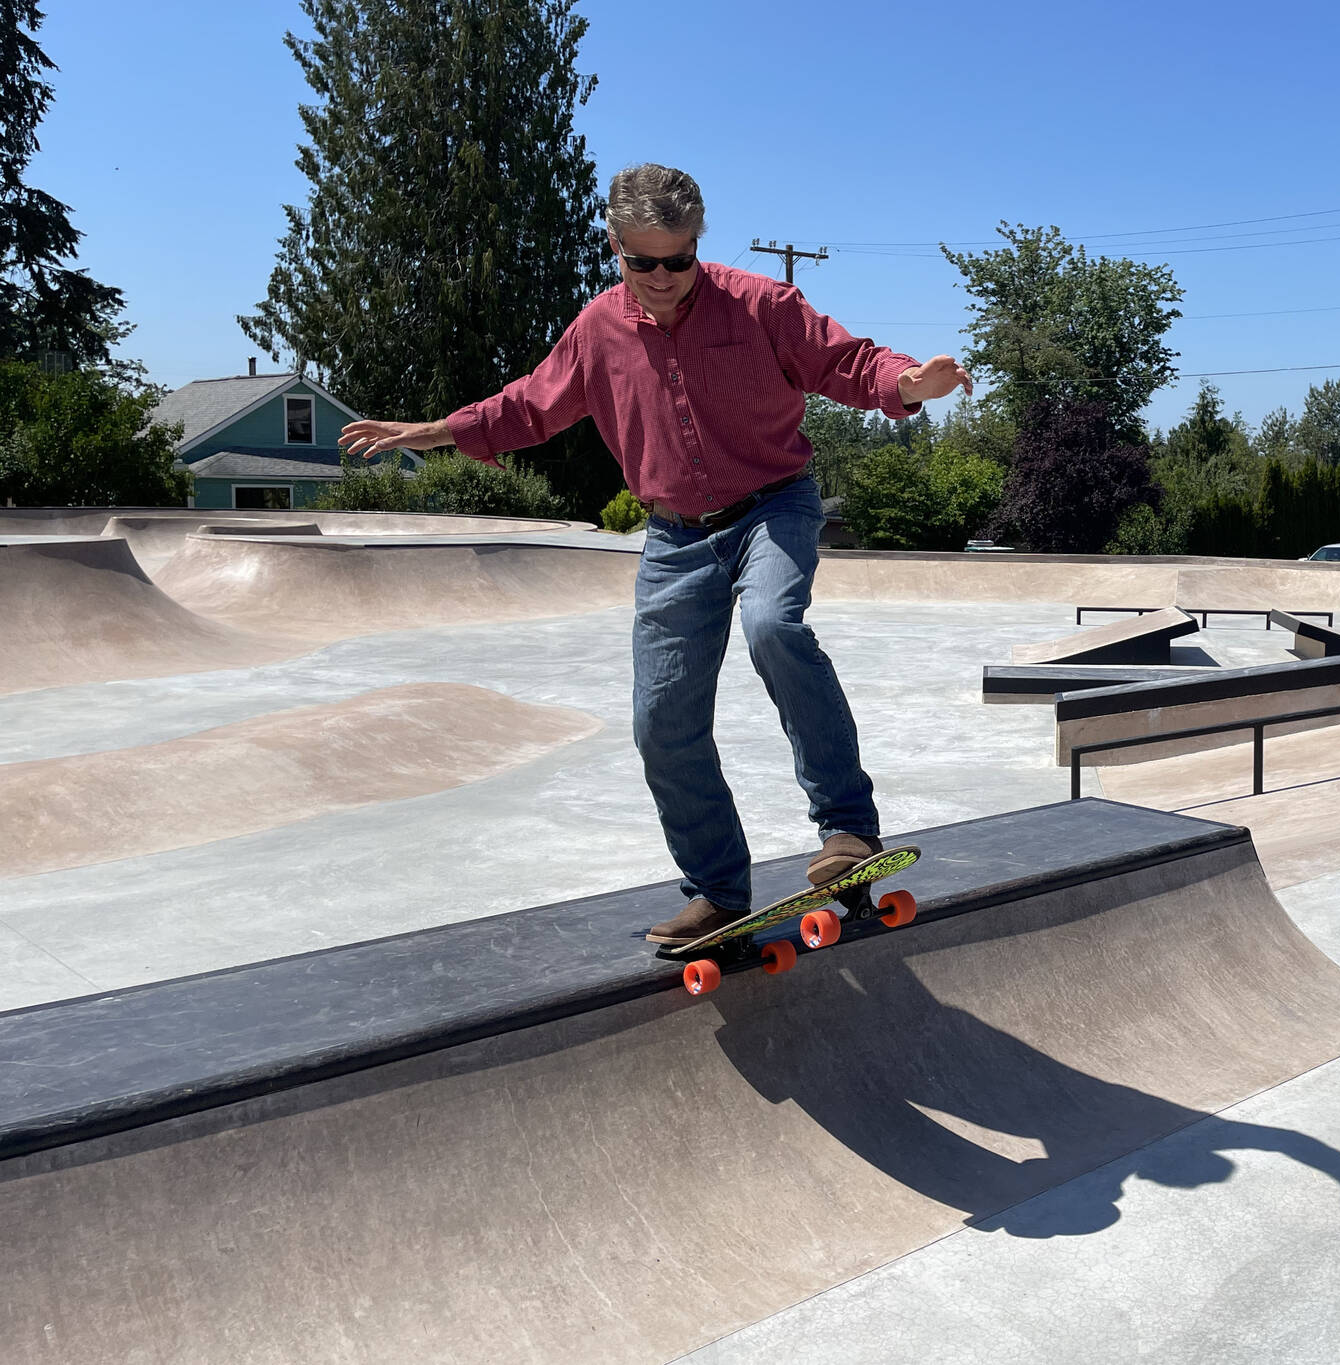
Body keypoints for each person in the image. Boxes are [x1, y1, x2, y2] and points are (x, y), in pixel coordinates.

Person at [340, 163, 971, 945]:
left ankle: (847, 829)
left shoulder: (760, 304)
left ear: (698, 245)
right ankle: (716, 890)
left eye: (680, 258)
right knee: (659, 721)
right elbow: (531, 405)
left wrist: (908, 383)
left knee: (775, 628)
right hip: (674, 539)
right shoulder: (597, 330)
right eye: (645, 261)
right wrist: (436, 431)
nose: (665, 277)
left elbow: (843, 361)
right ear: (615, 248)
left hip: (773, 505)